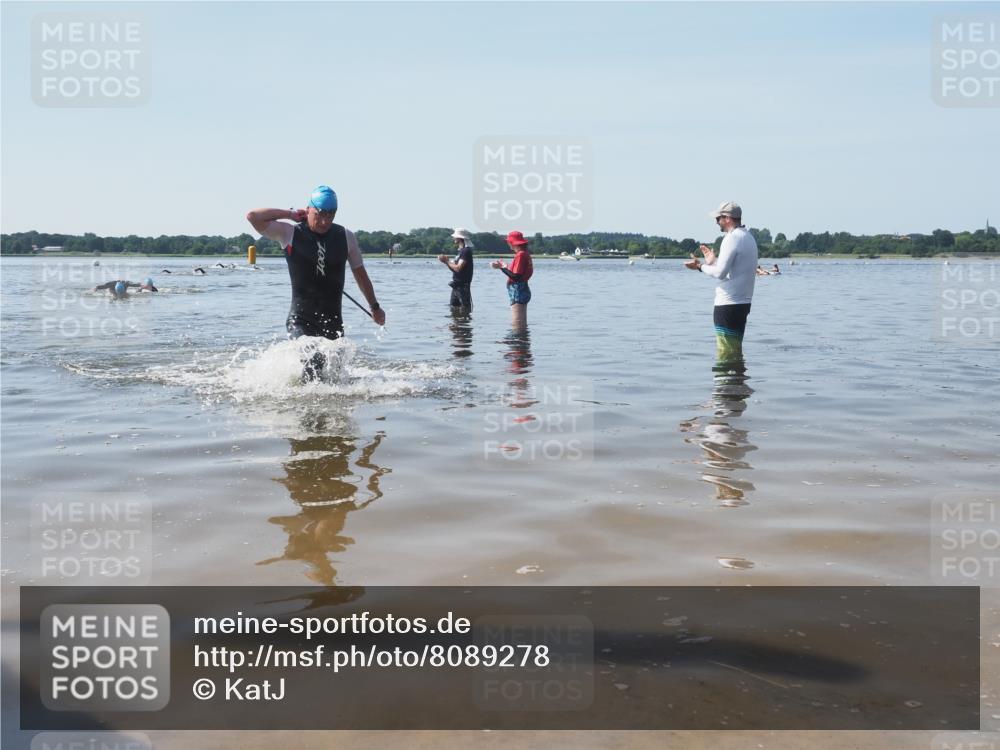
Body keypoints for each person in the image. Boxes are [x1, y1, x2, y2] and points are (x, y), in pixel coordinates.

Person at [246, 185, 385, 381]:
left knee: (333, 377)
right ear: (309, 209)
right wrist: (291, 214)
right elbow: (253, 216)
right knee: (314, 361)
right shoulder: (289, 233)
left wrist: (375, 306)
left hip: (333, 321)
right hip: (301, 320)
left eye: (331, 215)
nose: (325, 221)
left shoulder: (345, 236)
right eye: (320, 214)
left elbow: (360, 274)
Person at [685, 202, 758, 363]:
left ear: (727, 218)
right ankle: (738, 385)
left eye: (718, 218)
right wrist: (712, 261)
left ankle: (727, 386)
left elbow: (720, 273)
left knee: (726, 353)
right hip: (742, 303)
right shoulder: (748, 237)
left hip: (727, 305)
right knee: (734, 350)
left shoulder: (731, 238)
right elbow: (732, 270)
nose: (716, 222)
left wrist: (700, 266)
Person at [491, 230, 533, 327]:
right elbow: (517, 273)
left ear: (513, 242)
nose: (508, 243)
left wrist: (501, 268)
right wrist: (505, 266)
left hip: (518, 290)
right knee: (521, 322)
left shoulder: (520, 255)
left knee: (517, 323)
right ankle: (520, 340)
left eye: (508, 241)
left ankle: (517, 341)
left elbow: (516, 276)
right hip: (523, 288)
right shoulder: (525, 253)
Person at [438, 228, 474, 309]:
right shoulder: (461, 251)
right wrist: (446, 262)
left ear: (460, 238)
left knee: (465, 308)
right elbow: (455, 269)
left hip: (463, 286)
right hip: (456, 286)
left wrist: (447, 261)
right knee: (454, 309)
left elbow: (458, 268)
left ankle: (463, 321)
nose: (453, 238)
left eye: (455, 237)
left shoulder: (466, 251)